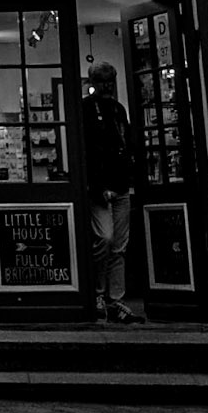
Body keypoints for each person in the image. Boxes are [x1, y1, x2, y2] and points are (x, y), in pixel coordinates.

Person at [83, 61, 137, 324]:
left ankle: (115, 300)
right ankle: (99, 294)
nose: (106, 86)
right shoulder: (86, 110)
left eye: (109, 81)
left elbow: (125, 144)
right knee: (104, 238)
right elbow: (88, 152)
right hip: (100, 188)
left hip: (120, 185)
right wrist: (98, 184)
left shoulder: (118, 110)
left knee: (118, 246)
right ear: (92, 83)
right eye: (102, 81)